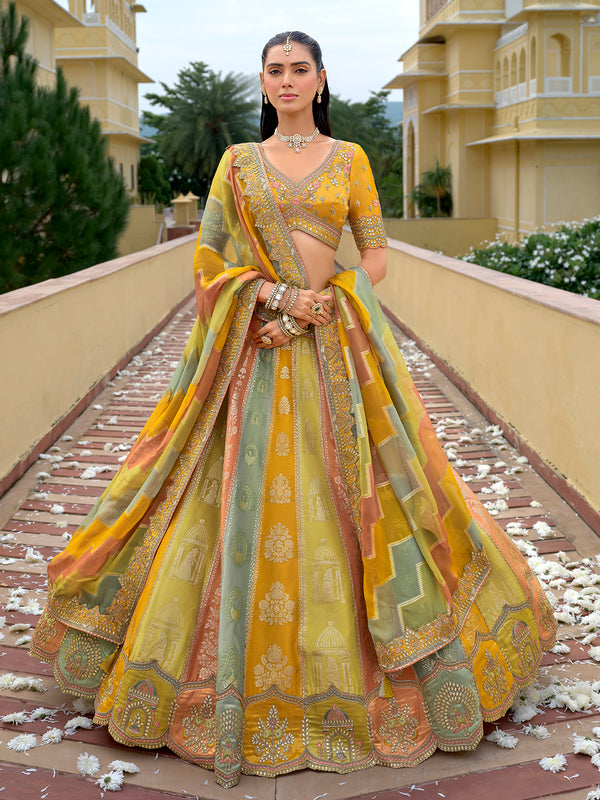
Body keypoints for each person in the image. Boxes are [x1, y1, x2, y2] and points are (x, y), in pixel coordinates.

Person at [31, 31, 556, 789]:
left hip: (333, 352)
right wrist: (271, 298)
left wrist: (323, 305)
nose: (285, 81)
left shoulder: (350, 161)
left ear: (319, 79)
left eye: (298, 69)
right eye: (274, 70)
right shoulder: (238, 164)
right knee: (211, 496)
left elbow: (373, 255)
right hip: (252, 351)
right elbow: (208, 257)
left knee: (370, 489)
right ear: (264, 82)